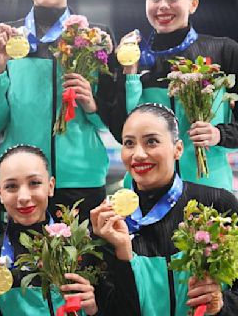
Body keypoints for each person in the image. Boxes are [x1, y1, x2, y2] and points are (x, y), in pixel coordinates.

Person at [0, 0, 116, 224]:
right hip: (22, 184)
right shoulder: (5, 36)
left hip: (82, 179)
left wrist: (92, 105)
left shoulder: (95, 37)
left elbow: (111, 121)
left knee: (84, 269)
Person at [91, 103, 238, 315]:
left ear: (177, 149)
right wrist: (122, 252)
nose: (138, 154)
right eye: (129, 143)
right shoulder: (107, 222)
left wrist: (223, 305)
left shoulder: (218, 205)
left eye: (151, 142)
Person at [112, 0, 238, 190]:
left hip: (209, 190)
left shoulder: (224, 51)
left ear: (193, 4)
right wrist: (129, 74)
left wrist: (219, 134)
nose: (162, 5)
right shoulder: (132, 58)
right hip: (146, 192)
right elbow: (121, 131)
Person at [0, 145, 107, 316]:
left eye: (34, 183)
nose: (24, 197)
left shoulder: (80, 248)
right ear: (0, 194)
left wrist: (93, 311)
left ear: (50, 186)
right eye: (11, 186)